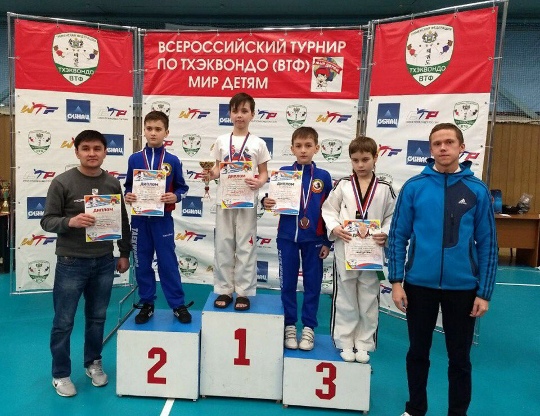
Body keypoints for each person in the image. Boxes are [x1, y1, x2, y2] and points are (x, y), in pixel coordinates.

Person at [387, 123, 497, 416]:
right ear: (431, 149)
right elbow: (397, 236)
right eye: (437, 143)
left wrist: (484, 292)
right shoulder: (414, 187)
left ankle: (457, 413)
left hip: (463, 289)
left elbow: (488, 244)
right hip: (418, 286)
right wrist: (396, 281)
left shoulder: (477, 190)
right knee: (417, 353)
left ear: (462, 147)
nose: (443, 148)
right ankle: (415, 409)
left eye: (449, 142)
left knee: (459, 359)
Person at [41, 130, 131, 397]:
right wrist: (70, 221)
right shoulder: (62, 182)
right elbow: (47, 221)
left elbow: (122, 221)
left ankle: (93, 363)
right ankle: (60, 374)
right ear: (77, 151)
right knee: (63, 321)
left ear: (105, 152)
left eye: (97, 148)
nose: (92, 153)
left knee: (97, 317)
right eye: (86, 148)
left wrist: (123, 253)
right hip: (71, 262)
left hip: (103, 261)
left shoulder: (112, 184)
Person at [322, 136, 395, 363]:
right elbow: (328, 210)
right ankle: (344, 340)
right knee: (345, 295)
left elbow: (393, 215)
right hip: (346, 247)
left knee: (369, 295)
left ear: (375, 157)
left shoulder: (385, 188)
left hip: (372, 250)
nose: (360, 165)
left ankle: (364, 342)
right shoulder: (343, 185)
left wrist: (386, 232)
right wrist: (335, 228)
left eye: (365, 159)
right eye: (355, 160)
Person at [262, 126, 332, 351]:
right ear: (292, 148)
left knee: (313, 284)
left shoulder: (323, 177)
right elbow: (272, 198)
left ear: (317, 148)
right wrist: (265, 201)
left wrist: (327, 241)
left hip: (314, 239)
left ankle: (309, 327)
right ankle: (289, 325)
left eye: (308, 146)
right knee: (288, 283)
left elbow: (331, 211)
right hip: (287, 237)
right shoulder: (283, 173)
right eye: (299, 146)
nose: (303, 150)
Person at [204, 92, 270, 311]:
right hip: (225, 200)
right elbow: (216, 169)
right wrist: (210, 174)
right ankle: (224, 289)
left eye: (244, 111)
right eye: (235, 111)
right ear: (229, 114)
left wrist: (259, 183)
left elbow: (264, 173)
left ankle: (243, 292)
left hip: (247, 201)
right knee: (223, 244)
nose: (239, 115)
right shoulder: (221, 141)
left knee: (246, 245)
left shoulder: (258, 143)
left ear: (252, 114)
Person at [124, 110, 191, 324]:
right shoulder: (135, 159)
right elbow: (128, 186)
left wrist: (176, 196)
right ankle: (147, 303)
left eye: (158, 129)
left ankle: (177, 304)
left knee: (167, 262)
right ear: (144, 131)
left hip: (162, 220)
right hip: (140, 220)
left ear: (166, 132)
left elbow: (183, 188)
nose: (153, 133)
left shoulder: (172, 160)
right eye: (149, 129)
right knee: (142, 262)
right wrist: (128, 195)